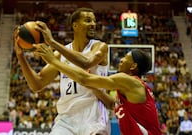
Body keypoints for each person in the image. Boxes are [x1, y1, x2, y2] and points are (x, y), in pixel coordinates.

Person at [14, 7, 113, 135]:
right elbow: (37, 84)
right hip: (66, 118)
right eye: (88, 21)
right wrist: (20, 55)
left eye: (94, 21)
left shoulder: (99, 46)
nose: (93, 24)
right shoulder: (59, 54)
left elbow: (86, 62)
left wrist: (52, 42)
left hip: (94, 115)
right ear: (75, 25)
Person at [33, 41, 162, 135]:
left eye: (125, 58)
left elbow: (84, 79)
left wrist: (54, 61)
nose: (121, 60)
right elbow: (112, 104)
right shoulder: (132, 88)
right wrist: (91, 85)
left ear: (133, 66)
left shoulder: (127, 80)